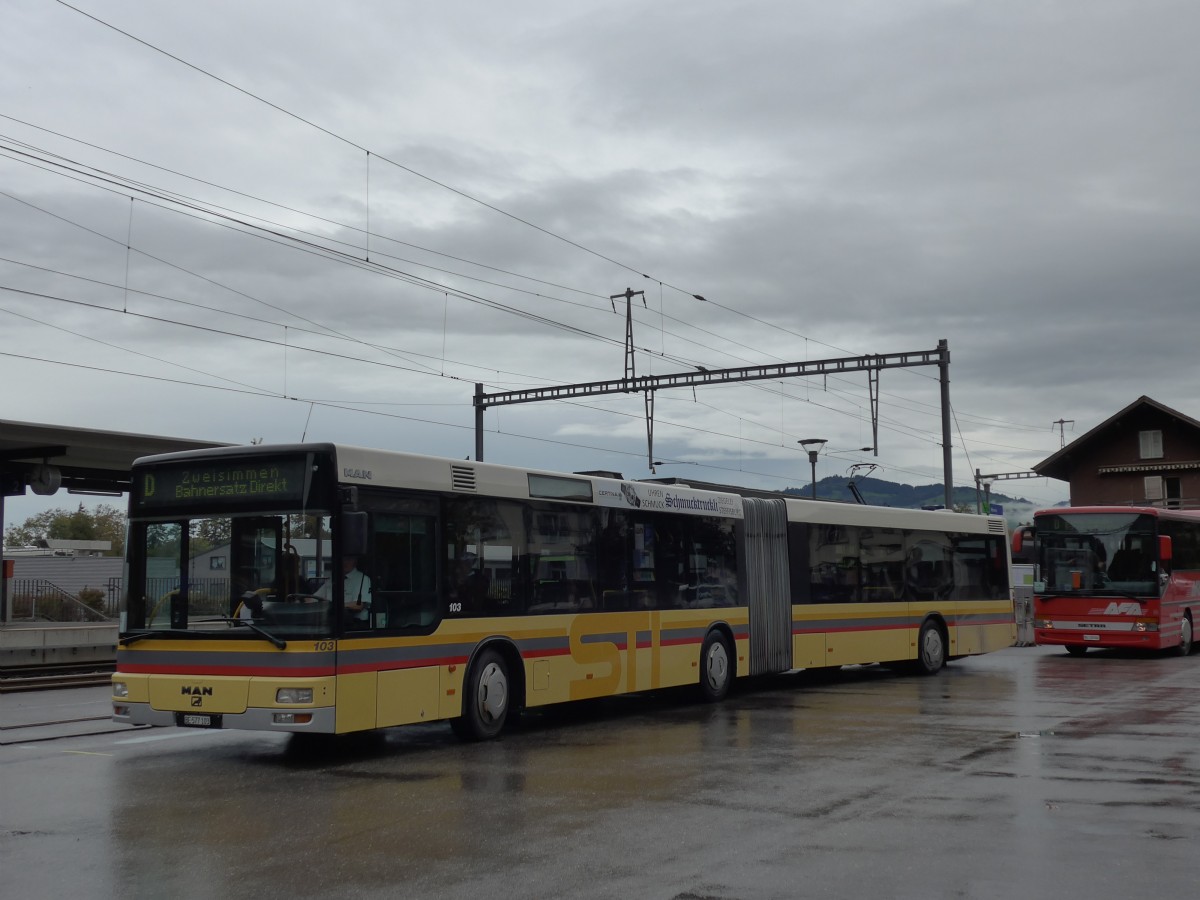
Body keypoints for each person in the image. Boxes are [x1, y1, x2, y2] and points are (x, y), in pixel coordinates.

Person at [315, 555, 373, 624]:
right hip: (333, 621)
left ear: (355, 561)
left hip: (355, 624)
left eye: (349, 559)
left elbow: (358, 605)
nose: (345, 562)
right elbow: (315, 597)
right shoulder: (333, 579)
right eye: (343, 559)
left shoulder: (363, 579)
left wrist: (332, 605)